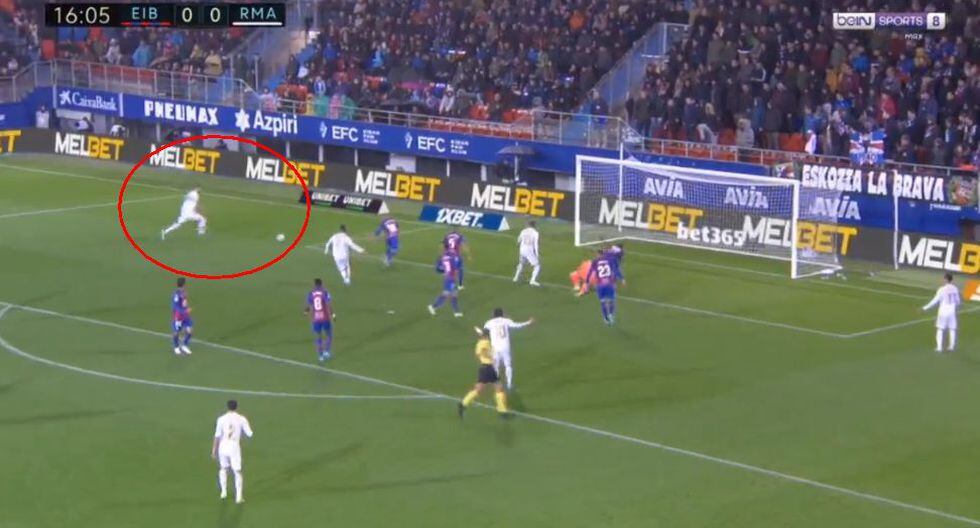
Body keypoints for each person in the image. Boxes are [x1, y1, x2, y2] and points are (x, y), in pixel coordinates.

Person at [457, 329, 509, 418]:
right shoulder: (484, 342)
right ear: (487, 335)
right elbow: (483, 351)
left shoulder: (479, 343)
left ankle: (463, 404)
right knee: (497, 388)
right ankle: (502, 411)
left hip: (486, 368)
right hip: (488, 368)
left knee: (483, 388)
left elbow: (478, 353)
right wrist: (490, 355)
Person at [211, 400, 253, 504]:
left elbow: (217, 435)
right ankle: (238, 497)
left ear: (228, 407)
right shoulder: (241, 419)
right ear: (236, 407)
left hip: (223, 446)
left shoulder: (221, 419)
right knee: (237, 471)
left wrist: (214, 450)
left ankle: (223, 492)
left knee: (223, 468)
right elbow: (249, 434)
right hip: (234, 447)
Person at [483, 307, 534, 391]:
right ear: (502, 314)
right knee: (508, 365)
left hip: (495, 347)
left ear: (493, 314)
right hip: (505, 346)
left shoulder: (489, 323)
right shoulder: (506, 321)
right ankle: (509, 384)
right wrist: (528, 322)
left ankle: (496, 383)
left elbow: (484, 332)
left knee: (495, 366)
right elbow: (517, 325)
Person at [922, 273, 960, 353]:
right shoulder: (955, 288)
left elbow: (935, 300)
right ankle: (951, 347)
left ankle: (939, 348)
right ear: (952, 280)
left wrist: (925, 307)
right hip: (952, 311)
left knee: (940, 328)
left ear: (946, 279)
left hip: (943, 311)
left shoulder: (942, 289)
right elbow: (958, 301)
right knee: (952, 328)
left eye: (944, 278)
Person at [586, 249, 625, 325]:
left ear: (598, 254)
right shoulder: (609, 260)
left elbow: (590, 272)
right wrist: (622, 278)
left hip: (600, 285)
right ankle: (611, 315)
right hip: (609, 284)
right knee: (611, 301)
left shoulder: (595, 261)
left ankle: (606, 318)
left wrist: (587, 282)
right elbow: (615, 270)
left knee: (603, 302)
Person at [305, 278, 333, 361]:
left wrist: (306, 312)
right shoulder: (325, 292)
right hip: (325, 318)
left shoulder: (311, 293)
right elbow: (328, 304)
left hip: (316, 319)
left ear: (315, 284)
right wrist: (333, 314)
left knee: (318, 337)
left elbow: (309, 306)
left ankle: (320, 356)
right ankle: (327, 352)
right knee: (328, 335)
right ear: (321, 284)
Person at [428, 251, 463, 317]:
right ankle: (433, 306)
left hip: (450, 279)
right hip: (450, 279)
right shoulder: (451, 258)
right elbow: (439, 268)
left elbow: (438, 268)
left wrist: (444, 271)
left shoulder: (445, 257)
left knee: (453, 294)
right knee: (448, 294)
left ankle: (456, 312)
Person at [513, 221, 541, 286]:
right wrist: (537, 254)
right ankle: (532, 280)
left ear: (528, 225)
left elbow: (518, 240)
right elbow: (536, 244)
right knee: (537, 266)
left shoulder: (523, 231)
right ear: (534, 226)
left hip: (522, 250)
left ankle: (515, 278)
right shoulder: (535, 233)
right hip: (529, 251)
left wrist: (519, 244)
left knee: (521, 263)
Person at [171, 277, 193, 355]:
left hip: (185, 316)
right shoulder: (176, 295)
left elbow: (184, 303)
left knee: (189, 331)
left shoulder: (184, 292)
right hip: (178, 317)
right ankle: (176, 347)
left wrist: (187, 309)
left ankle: (184, 345)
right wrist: (185, 311)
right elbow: (175, 306)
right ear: (183, 284)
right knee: (176, 333)